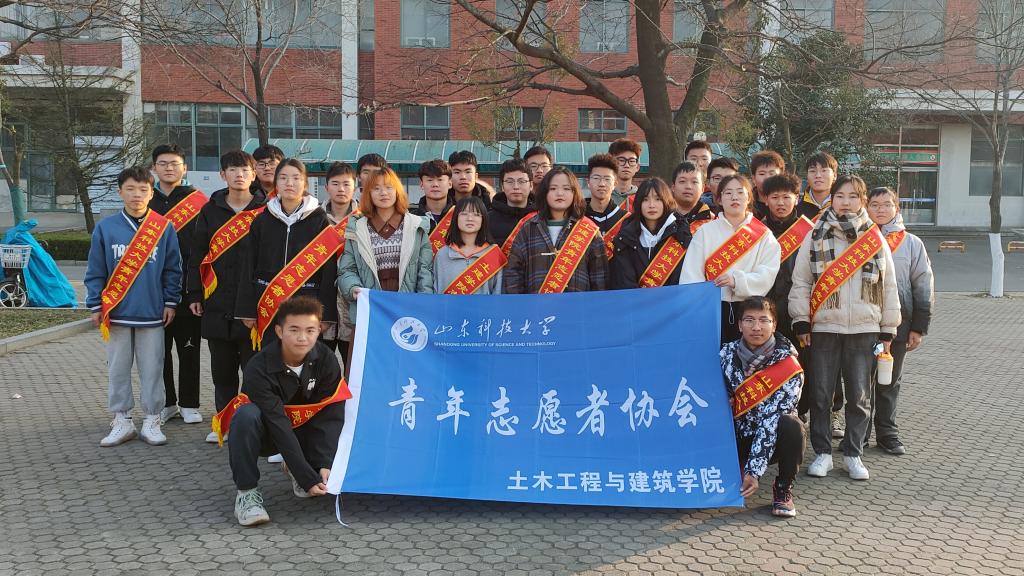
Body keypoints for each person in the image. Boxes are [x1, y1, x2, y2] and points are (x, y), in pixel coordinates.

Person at [789, 175, 901, 481]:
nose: (846, 202)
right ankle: (823, 453)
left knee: (860, 397)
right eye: (840, 196)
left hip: (865, 328)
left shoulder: (873, 238)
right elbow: (801, 282)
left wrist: (888, 327)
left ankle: (853, 453)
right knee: (821, 395)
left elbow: (889, 285)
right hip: (824, 326)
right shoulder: (815, 234)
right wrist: (801, 320)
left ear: (862, 201)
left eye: (853, 196)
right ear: (832, 200)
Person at [223, 296, 349, 526]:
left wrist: (325, 462)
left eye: (310, 330)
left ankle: (300, 465)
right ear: (279, 331)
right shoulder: (258, 367)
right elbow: (277, 423)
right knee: (245, 416)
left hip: (305, 431)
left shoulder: (327, 359)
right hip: (269, 433)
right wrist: (306, 477)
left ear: (319, 330)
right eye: (294, 330)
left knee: (342, 412)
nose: (302, 338)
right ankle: (247, 493)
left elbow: (330, 414)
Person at [85, 166, 182, 447]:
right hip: (116, 312)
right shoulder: (106, 228)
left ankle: (152, 418)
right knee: (117, 368)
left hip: (152, 312)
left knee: (153, 368)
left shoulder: (163, 227)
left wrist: (171, 301)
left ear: (152, 193)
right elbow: (96, 270)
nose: (136, 195)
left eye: (143, 189)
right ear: (120, 192)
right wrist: (95, 304)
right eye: (130, 189)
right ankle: (122, 419)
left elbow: (173, 269)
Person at [188, 150, 268, 443]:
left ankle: (250, 424)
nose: (239, 175)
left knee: (253, 370)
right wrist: (194, 293)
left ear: (253, 174)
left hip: (252, 305)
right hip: (217, 302)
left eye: (245, 170)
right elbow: (198, 254)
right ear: (223, 175)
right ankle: (223, 423)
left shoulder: (265, 210)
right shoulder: (210, 211)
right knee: (222, 372)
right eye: (233, 170)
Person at [235, 158, 338, 352]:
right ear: (276, 183)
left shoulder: (320, 220)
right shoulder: (262, 220)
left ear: (305, 184)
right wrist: (246, 309)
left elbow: (329, 269)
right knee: (270, 357)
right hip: (268, 300)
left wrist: (327, 314)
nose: (289, 183)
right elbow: (248, 264)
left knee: (302, 359)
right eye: (283, 178)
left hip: (307, 303)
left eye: (296, 178)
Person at [721, 297, 805, 518]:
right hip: (733, 436)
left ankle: (783, 488)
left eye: (763, 320)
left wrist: (754, 471)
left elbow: (772, 419)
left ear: (774, 325)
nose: (756, 327)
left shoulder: (788, 365)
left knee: (792, 426)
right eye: (749, 320)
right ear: (740, 325)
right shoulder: (725, 355)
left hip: (770, 437)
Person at [866, 186, 934, 456]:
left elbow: (923, 286)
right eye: (874, 204)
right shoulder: (857, 239)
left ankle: (887, 433)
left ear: (897, 208)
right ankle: (858, 435)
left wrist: (918, 327)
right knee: (861, 382)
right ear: (866, 207)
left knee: (889, 381)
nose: (880, 209)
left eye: (887, 204)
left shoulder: (911, 243)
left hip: (898, 325)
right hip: (863, 323)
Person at [679, 174, 781, 344]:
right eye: (728, 193)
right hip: (711, 309)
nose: (734, 197)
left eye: (740, 192)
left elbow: (767, 274)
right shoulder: (705, 232)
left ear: (749, 197)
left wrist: (738, 281)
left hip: (751, 312)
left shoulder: (764, 235)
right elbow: (691, 274)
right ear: (719, 199)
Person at [148, 143, 206, 426]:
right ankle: (166, 403)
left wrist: (197, 290)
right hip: (152, 291)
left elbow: (205, 249)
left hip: (187, 290)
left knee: (189, 350)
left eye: (174, 163)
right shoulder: (147, 201)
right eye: (163, 163)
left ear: (185, 168)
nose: (169, 168)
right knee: (158, 354)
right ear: (153, 168)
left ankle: (189, 404)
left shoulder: (199, 203)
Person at [338, 166, 434, 329]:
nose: (383, 193)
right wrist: (353, 288)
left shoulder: (415, 226)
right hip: (370, 310)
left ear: (397, 191)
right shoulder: (357, 228)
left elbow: (424, 270)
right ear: (368, 193)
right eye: (376, 188)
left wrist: (424, 304)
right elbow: (347, 269)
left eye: (389, 187)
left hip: (408, 310)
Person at [503, 166, 608, 293]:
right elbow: (513, 274)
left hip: (579, 304)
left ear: (575, 193)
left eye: (566, 188)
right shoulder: (528, 228)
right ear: (544, 193)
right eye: (553, 188)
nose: (560, 193)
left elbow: (600, 279)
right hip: (535, 305)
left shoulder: (588, 230)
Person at [609, 178, 690, 289]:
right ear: (639, 203)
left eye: (658, 199)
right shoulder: (626, 237)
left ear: (666, 201)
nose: (651, 205)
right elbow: (624, 281)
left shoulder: (681, 235)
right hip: (634, 299)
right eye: (645, 200)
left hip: (673, 298)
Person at [319, 162, 360, 361]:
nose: (341, 189)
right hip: (321, 303)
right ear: (327, 187)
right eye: (335, 184)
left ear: (355, 186)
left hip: (352, 302)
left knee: (353, 367)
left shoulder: (364, 219)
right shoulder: (314, 219)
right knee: (318, 368)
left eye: (346, 184)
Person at [434, 197, 505, 294]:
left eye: (476, 214)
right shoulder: (443, 254)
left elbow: (498, 293)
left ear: (483, 219)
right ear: (456, 218)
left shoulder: (494, 254)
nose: (470, 219)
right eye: (464, 214)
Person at [488, 158, 536, 248]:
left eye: (521, 181)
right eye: (510, 182)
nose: (516, 187)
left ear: (531, 185)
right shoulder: (487, 219)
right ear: (502, 186)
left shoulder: (542, 218)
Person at [585, 153, 628, 242]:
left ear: (615, 184)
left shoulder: (625, 219)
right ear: (588, 182)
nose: (602, 184)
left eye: (607, 179)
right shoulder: (576, 216)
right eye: (596, 178)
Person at [410, 159, 455, 234]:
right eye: (430, 180)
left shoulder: (459, 215)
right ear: (421, 184)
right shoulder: (412, 218)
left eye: (440, 180)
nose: (435, 184)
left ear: (450, 184)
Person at [670, 161, 716, 234]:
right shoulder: (661, 217)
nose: (688, 186)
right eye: (682, 181)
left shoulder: (712, 222)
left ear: (702, 189)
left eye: (694, 182)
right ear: (673, 187)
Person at [750, 150, 785, 220]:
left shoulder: (789, 204)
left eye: (772, 173)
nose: (767, 178)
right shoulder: (745, 205)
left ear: (781, 177)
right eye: (762, 174)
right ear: (753, 178)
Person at [608, 138, 642, 209]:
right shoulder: (601, 197)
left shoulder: (642, 197)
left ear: (637, 167)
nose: (627, 165)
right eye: (621, 160)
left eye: (631, 161)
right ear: (611, 164)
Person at [802, 151, 839, 217]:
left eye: (824, 170)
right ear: (807, 176)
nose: (818, 175)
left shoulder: (844, 205)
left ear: (835, 175)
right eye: (813, 171)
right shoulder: (795, 206)